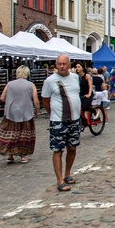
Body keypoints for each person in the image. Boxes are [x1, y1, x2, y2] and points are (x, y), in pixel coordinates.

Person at [41, 55, 82, 192]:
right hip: (58, 121)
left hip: (74, 119)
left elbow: (76, 94)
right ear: (56, 64)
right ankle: (59, 180)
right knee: (57, 150)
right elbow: (45, 100)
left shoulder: (75, 77)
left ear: (69, 64)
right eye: (59, 64)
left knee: (72, 147)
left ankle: (67, 173)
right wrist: (52, 113)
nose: (62, 66)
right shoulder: (50, 81)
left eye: (64, 64)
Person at [0, 65, 39, 164]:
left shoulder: (9, 84)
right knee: (24, 134)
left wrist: (10, 101)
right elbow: (35, 100)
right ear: (27, 73)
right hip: (26, 112)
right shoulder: (31, 85)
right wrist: (37, 111)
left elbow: (2, 97)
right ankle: (23, 156)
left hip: (11, 113)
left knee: (12, 133)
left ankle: (10, 154)